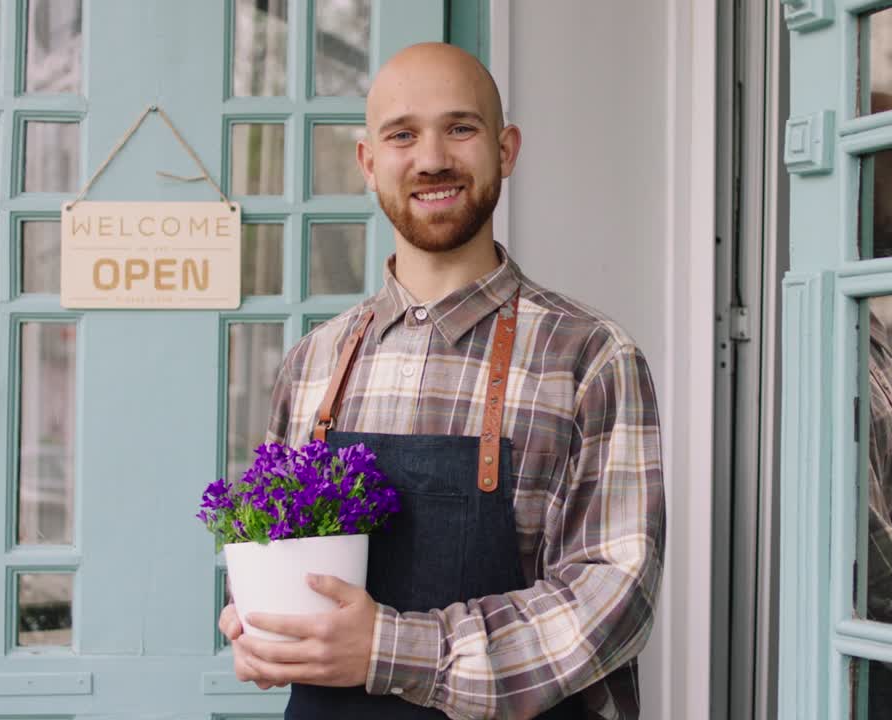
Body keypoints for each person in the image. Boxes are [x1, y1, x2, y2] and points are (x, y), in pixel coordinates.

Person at [216, 42, 666, 720]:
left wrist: (387, 649)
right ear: (369, 163)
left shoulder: (591, 357)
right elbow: (274, 557)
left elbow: (613, 600)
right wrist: (257, 628)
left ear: (506, 150)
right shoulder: (313, 361)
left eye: (461, 127)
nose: (431, 159)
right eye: (402, 135)